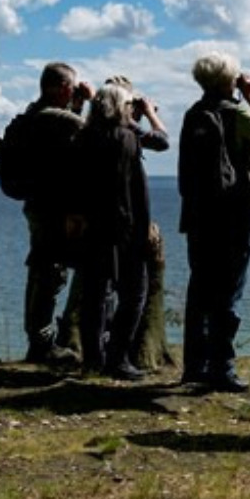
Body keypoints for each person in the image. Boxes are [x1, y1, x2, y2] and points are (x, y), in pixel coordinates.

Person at [177, 51, 250, 393]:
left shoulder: (194, 114)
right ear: (229, 80)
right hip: (233, 214)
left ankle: (194, 365)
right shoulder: (234, 113)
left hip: (197, 214)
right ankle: (223, 367)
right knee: (229, 290)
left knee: (200, 288)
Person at [67, 83, 169, 380]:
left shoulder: (83, 137)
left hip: (92, 227)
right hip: (124, 227)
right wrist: (147, 112)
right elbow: (161, 140)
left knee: (94, 295)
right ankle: (118, 358)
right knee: (135, 293)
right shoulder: (125, 137)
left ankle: (93, 359)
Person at [19, 62, 92, 365]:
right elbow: (85, 139)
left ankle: (38, 341)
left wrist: (77, 103)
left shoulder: (33, 114)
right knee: (51, 274)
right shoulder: (56, 118)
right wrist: (86, 103)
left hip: (37, 204)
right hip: (54, 209)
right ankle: (43, 345)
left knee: (41, 270)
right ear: (64, 88)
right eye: (73, 89)